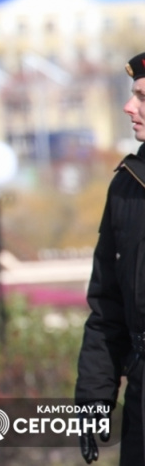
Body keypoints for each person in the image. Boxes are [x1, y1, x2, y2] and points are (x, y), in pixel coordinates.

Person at [75, 53, 145, 465]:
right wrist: (95, 397)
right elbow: (107, 305)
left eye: (141, 96)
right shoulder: (127, 186)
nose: (128, 106)